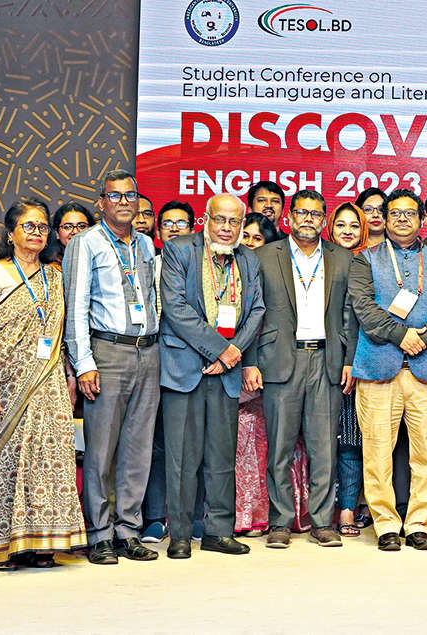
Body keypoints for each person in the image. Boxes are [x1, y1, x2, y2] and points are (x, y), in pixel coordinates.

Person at [0, 198, 86, 569]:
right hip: (1, 383)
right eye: (28, 226)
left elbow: (62, 334)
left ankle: (43, 542)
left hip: (49, 382)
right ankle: (2, 547)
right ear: (11, 233)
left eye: (42, 227)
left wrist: (69, 377)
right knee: (3, 463)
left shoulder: (55, 276)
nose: (37, 233)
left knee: (49, 461)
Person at [348, 188, 427, 551]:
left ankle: (418, 524)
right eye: (394, 213)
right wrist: (403, 336)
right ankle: (385, 525)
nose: (401, 219)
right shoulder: (365, 259)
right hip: (378, 368)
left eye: (409, 213)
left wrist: (421, 339)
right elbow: (364, 309)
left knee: (426, 454)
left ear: (422, 219)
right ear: (383, 219)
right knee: (377, 453)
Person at [244, 189, 356, 549]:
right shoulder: (263, 256)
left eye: (315, 214)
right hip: (279, 359)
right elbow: (251, 313)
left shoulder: (342, 258)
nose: (308, 219)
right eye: (302, 213)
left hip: (326, 360)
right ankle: (280, 521)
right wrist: (250, 361)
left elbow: (350, 314)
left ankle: (322, 521)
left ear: (324, 220)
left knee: (324, 448)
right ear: (289, 217)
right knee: (279, 446)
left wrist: (350, 359)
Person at [158, 194, 265, 558]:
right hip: (185, 368)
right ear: (206, 219)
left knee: (221, 457)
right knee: (182, 457)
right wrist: (221, 350)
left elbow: (256, 310)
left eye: (234, 221)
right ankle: (181, 534)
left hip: (227, 371)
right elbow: (175, 308)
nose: (226, 228)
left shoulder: (248, 259)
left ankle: (219, 531)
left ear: (242, 224)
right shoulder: (180, 250)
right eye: (219, 219)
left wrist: (233, 353)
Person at [63, 169, 161, 565]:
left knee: (138, 448)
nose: (123, 202)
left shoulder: (146, 244)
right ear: (101, 202)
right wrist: (83, 362)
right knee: (101, 450)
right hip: (107, 352)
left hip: (148, 352)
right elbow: (76, 306)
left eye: (130, 195)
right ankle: (100, 533)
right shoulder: (86, 243)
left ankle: (128, 530)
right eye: (115, 196)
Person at [139, 199, 195, 543]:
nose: (174, 229)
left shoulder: (203, 267)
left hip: (192, 364)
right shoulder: (147, 265)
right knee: (156, 443)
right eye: (167, 224)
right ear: (158, 231)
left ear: (194, 229)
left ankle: (191, 516)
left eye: (181, 223)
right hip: (151, 361)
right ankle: (155, 517)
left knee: (191, 444)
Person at [231, 206, 288, 538]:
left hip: (262, 368)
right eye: (246, 236)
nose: (251, 243)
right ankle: (228, 514)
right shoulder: (225, 269)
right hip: (224, 362)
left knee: (255, 445)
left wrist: (253, 361)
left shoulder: (272, 274)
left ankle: (254, 515)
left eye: (258, 238)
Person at [326, 201, 373, 535]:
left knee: (352, 440)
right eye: (340, 225)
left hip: (359, 362)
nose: (347, 231)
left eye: (354, 225)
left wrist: (352, 360)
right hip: (320, 361)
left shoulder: (369, 263)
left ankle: (347, 510)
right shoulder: (319, 260)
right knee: (321, 441)